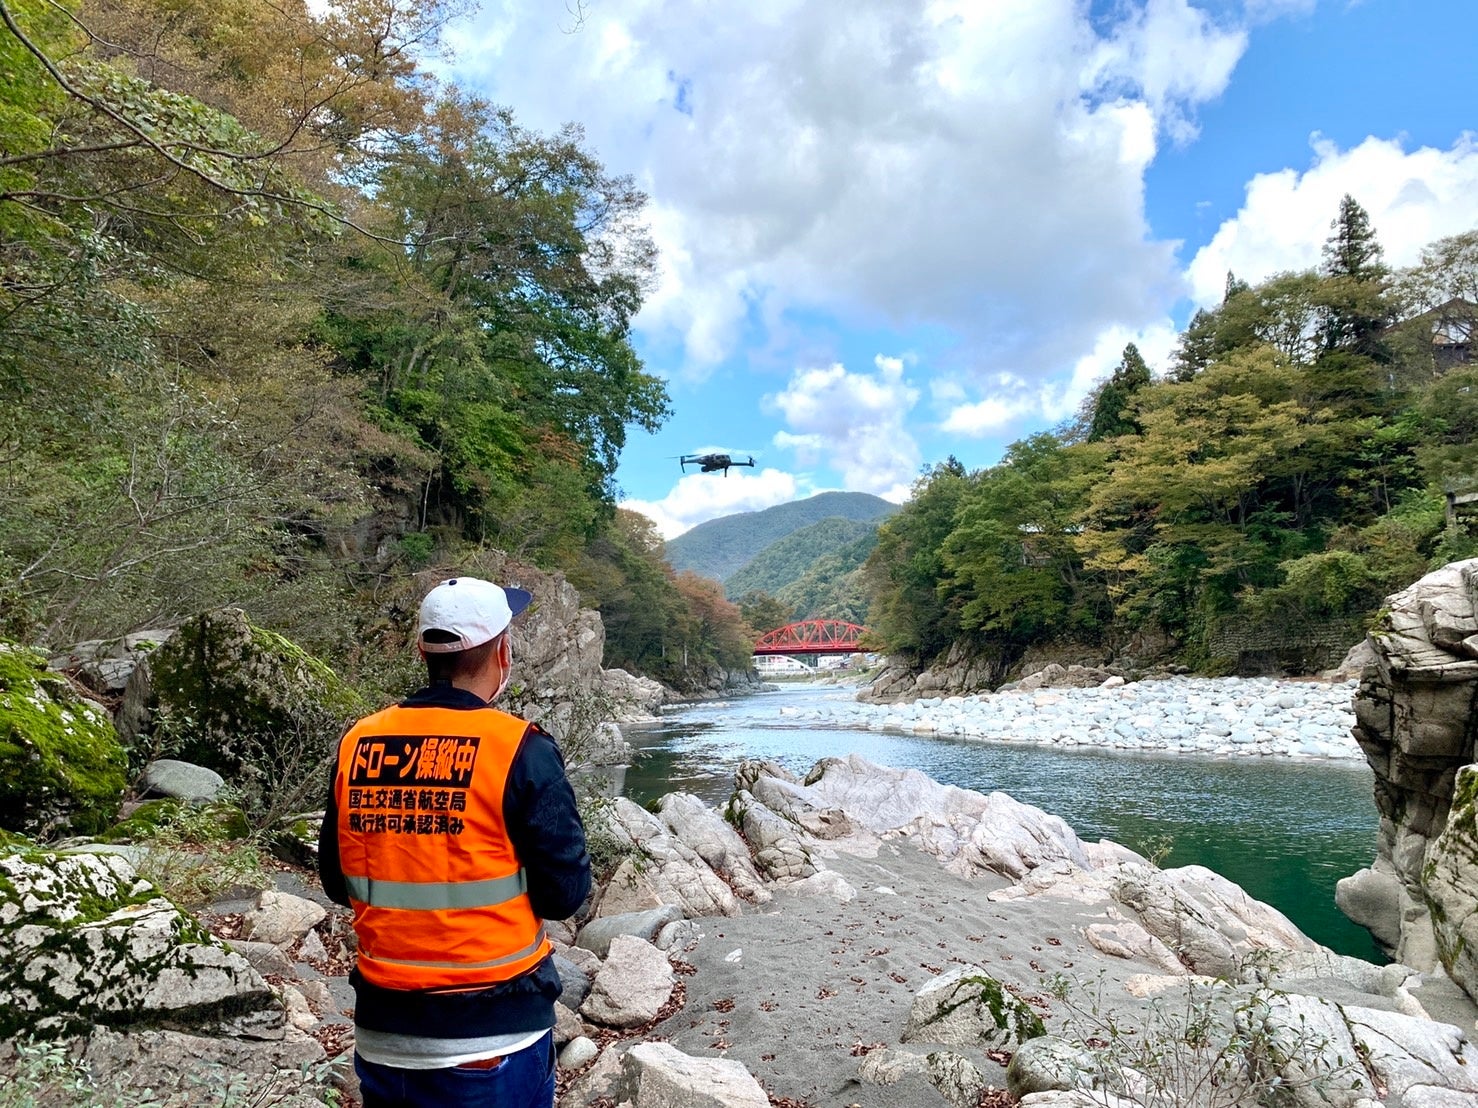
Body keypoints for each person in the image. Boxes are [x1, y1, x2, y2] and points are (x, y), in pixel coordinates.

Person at [319, 576, 592, 1108]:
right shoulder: (519, 748)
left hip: (383, 1033)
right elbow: (565, 893)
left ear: (423, 652)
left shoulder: (359, 741)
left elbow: (336, 880)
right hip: (493, 1035)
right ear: (503, 651)